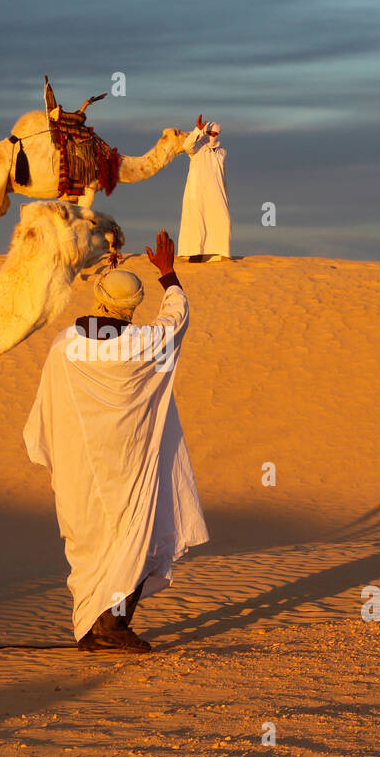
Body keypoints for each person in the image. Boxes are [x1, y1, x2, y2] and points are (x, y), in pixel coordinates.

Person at [23, 230, 209, 652]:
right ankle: (109, 629)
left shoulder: (65, 347)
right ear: (131, 308)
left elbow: (47, 409)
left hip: (80, 471)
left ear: (98, 301)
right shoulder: (146, 343)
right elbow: (176, 317)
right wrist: (168, 274)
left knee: (91, 545)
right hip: (130, 468)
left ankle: (98, 627)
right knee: (134, 540)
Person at [177, 115, 232, 262]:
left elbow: (222, 174)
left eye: (215, 134)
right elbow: (186, 146)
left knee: (222, 220)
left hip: (217, 192)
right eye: (210, 134)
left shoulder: (222, 152)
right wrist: (197, 131)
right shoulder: (196, 149)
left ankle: (217, 254)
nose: (212, 137)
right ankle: (195, 255)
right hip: (198, 192)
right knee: (197, 222)